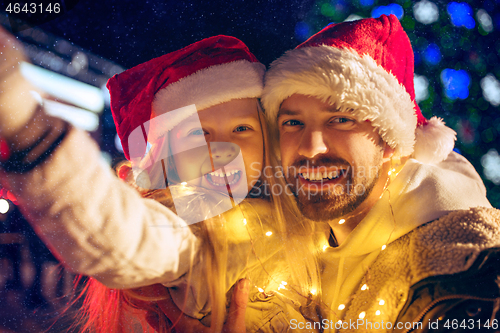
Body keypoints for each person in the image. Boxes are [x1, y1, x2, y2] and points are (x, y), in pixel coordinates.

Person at [0, 30, 320, 332]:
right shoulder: (190, 228)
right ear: (166, 156)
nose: (225, 148)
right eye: (199, 133)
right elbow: (117, 235)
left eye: (242, 129)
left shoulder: (295, 212)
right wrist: (30, 129)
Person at [257, 14, 500, 332]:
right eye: (293, 122)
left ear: (390, 141)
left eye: (340, 119)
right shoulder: (290, 245)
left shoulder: (458, 274)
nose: (310, 147)